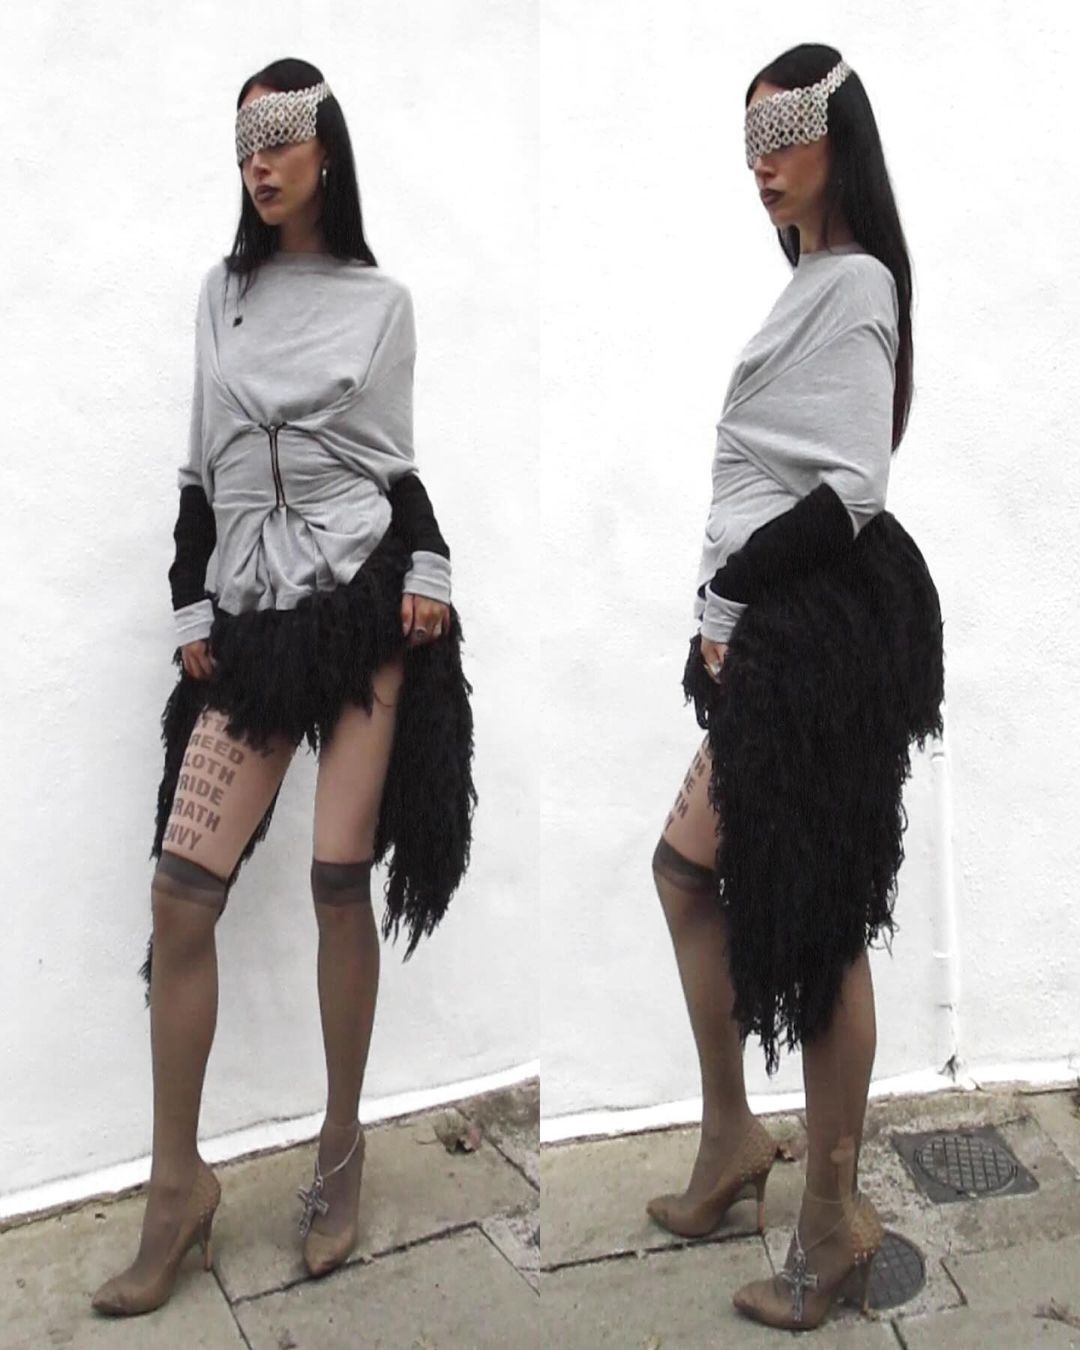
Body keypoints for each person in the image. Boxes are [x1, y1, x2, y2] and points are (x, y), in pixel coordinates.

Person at [92, 58, 476, 1317]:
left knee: (336, 879)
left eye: (280, 136)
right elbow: (199, 472)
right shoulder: (222, 295)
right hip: (252, 614)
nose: (259, 160)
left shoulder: (383, 302)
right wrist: (188, 596)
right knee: (180, 893)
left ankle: (341, 1147)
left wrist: (431, 567)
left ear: (325, 151)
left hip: (361, 601)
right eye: (244, 139)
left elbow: (394, 470)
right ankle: (176, 1187)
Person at [644, 44, 944, 1332]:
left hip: (814, 647)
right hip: (776, 641)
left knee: (819, 931)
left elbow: (854, 488)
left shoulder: (858, 281)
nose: (762, 163)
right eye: (750, 141)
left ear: (839, 139)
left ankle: (832, 1222)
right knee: (685, 869)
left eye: (786, 136)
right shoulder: (818, 280)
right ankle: (732, 1138)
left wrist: (731, 593)